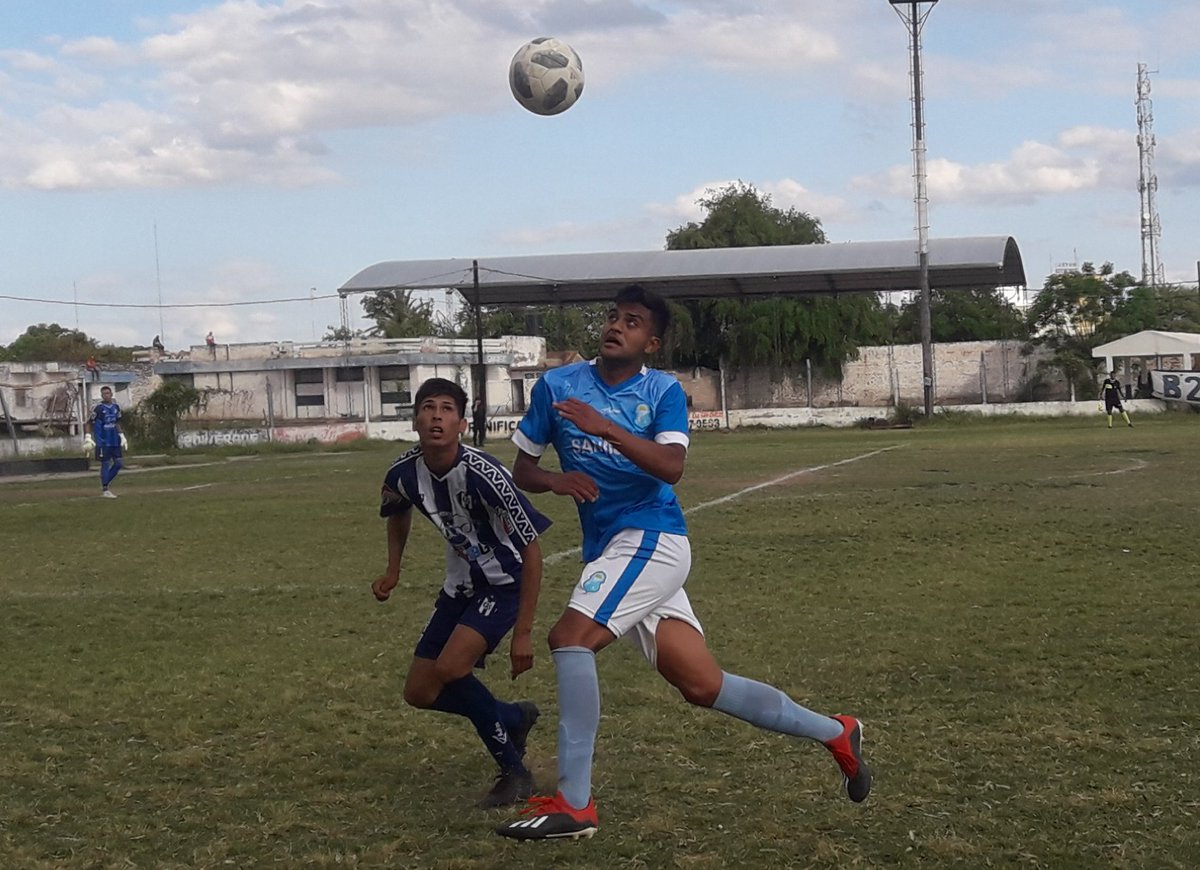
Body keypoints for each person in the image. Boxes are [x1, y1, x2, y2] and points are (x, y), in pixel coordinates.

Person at [496, 285, 871, 841]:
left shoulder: (663, 392)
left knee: (570, 638)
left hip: (653, 537)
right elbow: (522, 468)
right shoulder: (558, 385)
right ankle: (836, 732)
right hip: (614, 550)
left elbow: (671, 467)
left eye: (633, 321)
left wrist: (607, 429)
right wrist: (554, 479)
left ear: (652, 340)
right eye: (612, 317)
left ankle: (574, 804)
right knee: (701, 685)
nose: (616, 326)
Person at [372, 377, 552, 808]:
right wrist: (393, 569)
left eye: (447, 409)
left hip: (504, 583)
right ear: (415, 420)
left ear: (462, 424)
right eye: (428, 407)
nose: (437, 416)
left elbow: (532, 551)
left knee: (452, 668)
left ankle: (515, 772)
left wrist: (523, 632)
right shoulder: (401, 473)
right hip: (460, 587)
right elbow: (397, 513)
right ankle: (512, 716)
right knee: (419, 692)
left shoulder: (487, 475)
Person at [84, 386, 127, 498]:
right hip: (102, 441)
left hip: (114, 440)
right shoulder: (98, 408)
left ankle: (106, 483)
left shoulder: (116, 407)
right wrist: (88, 437)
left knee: (119, 464)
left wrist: (122, 436)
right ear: (101, 395)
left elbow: (117, 423)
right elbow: (88, 422)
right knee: (105, 464)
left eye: (108, 393)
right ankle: (105, 489)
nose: (106, 395)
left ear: (111, 394)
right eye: (103, 394)